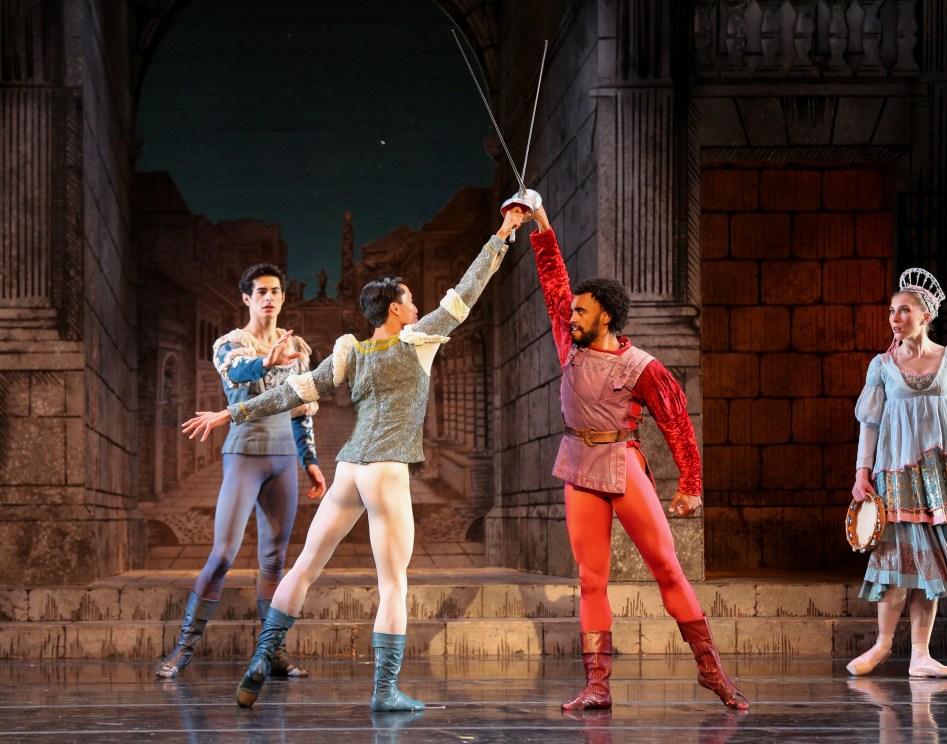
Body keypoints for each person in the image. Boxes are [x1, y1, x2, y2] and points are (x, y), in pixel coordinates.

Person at [182, 205, 524, 710]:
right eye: (410, 302)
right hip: (386, 471)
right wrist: (504, 232)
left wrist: (229, 413)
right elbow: (467, 290)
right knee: (394, 583)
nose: (417, 308)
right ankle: (385, 692)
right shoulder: (418, 342)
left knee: (305, 566)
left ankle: (260, 661)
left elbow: (291, 392)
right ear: (395, 310)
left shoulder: (352, 353)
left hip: (349, 470)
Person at [526, 203, 747, 711]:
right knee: (591, 579)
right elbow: (554, 281)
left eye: (581, 312)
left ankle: (711, 671)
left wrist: (690, 484)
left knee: (667, 567)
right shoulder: (569, 346)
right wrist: (541, 223)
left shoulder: (641, 366)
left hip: (622, 464)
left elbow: (677, 423)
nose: (571, 317)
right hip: (579, 466)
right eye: (572, 312)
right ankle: (597, 686)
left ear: (605, 315)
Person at [155, 263, 326, 679]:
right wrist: (266, 360)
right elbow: (237, 373)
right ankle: (183, 649)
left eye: (275, 291)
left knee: (274, 560)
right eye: (261, 291)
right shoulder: (230, 344)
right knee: (223, 554)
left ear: (283, 297)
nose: (269, 297)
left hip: (283, 460)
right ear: (247, 298)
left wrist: (310, 462)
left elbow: (301, 411)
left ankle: (273, 652)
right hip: (244, 455)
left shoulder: (298, 348)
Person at [848, 268, 947, 678]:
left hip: (941, 476)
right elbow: (870, 424)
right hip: (897, 474)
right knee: (896, 559)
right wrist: (862, 472)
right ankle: (882, 645)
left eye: (904, 310)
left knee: (931, 564)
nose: (895, 318)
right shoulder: (882, 366)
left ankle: (920, 655)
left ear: (925, 316)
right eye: (892, 311)